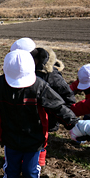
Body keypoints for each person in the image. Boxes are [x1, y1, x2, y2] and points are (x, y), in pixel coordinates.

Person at [0, 49, 79, 178]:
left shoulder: (39, 86)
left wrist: (72, 123)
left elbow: (57, 106)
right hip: (10, 137)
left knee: (31, 171)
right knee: (11, 170)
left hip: (34, 138)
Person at [10, 37, 76, 167]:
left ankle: (38, 164)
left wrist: (55, 113)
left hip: (44, 117)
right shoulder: (25, 70)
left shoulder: (50, 75)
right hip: (28, 115)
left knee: (40, 141)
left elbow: (68, 98)